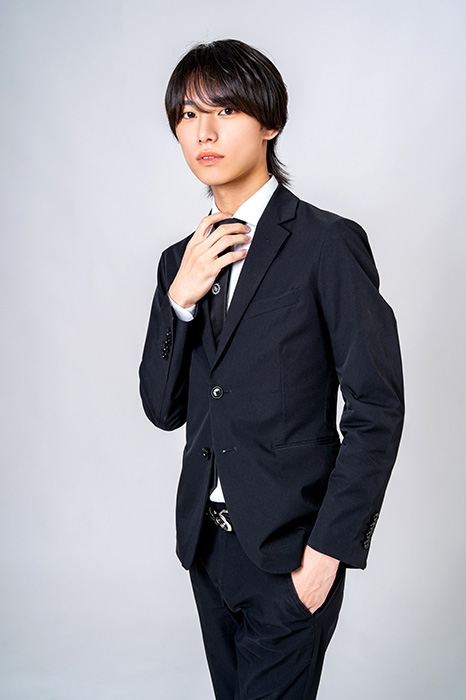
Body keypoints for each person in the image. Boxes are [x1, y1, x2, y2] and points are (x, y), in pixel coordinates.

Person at [139, 38, 404, 700]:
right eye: (189, 115)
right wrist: (180, 301)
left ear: (270, 123)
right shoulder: (178, 261)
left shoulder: (326, 244)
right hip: (207, 549)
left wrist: (327, 556)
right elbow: (163, 409)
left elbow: (376, 408)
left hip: (292, 554)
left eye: (225, 110)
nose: (204, 132)